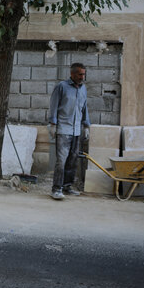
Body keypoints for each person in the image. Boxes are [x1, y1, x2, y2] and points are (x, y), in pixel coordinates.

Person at [48, 62, 90, 200]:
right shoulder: (62, 87)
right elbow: (54, 105)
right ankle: (56, 189)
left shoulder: (83, 89)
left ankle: (67, 186)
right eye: (80, 74)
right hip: (63, 129)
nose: (82, 77)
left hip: (76, 130)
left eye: (83, 74)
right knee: (61, 160)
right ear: (72, 74)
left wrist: (86, 126)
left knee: (73, 160)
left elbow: (84, 108)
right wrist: (53, 124)